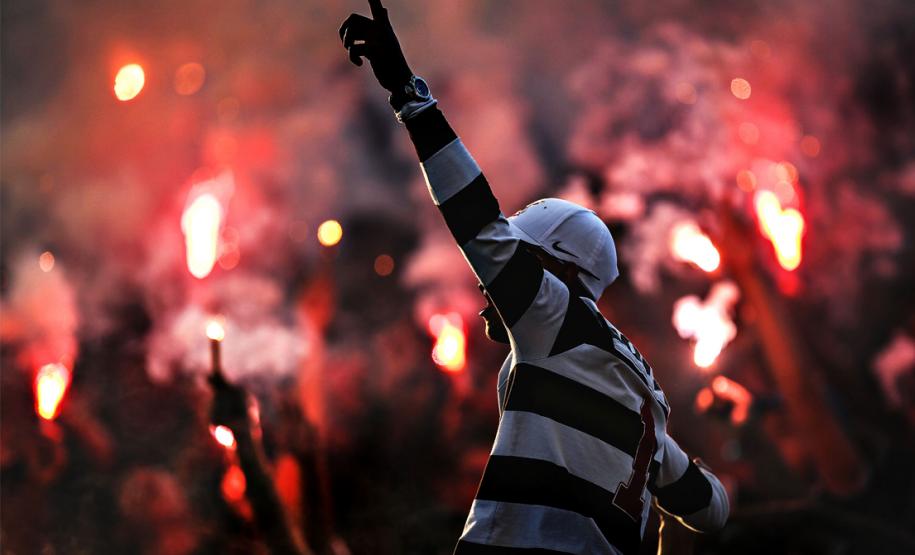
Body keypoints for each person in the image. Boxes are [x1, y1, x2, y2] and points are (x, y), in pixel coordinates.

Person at [339, 2, 730, 553]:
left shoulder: (555, 318)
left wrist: (408, 92)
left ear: (560, 271)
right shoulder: (644, 393)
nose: (488, 283)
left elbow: (474, 216)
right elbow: (711, 508)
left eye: (520, 258)